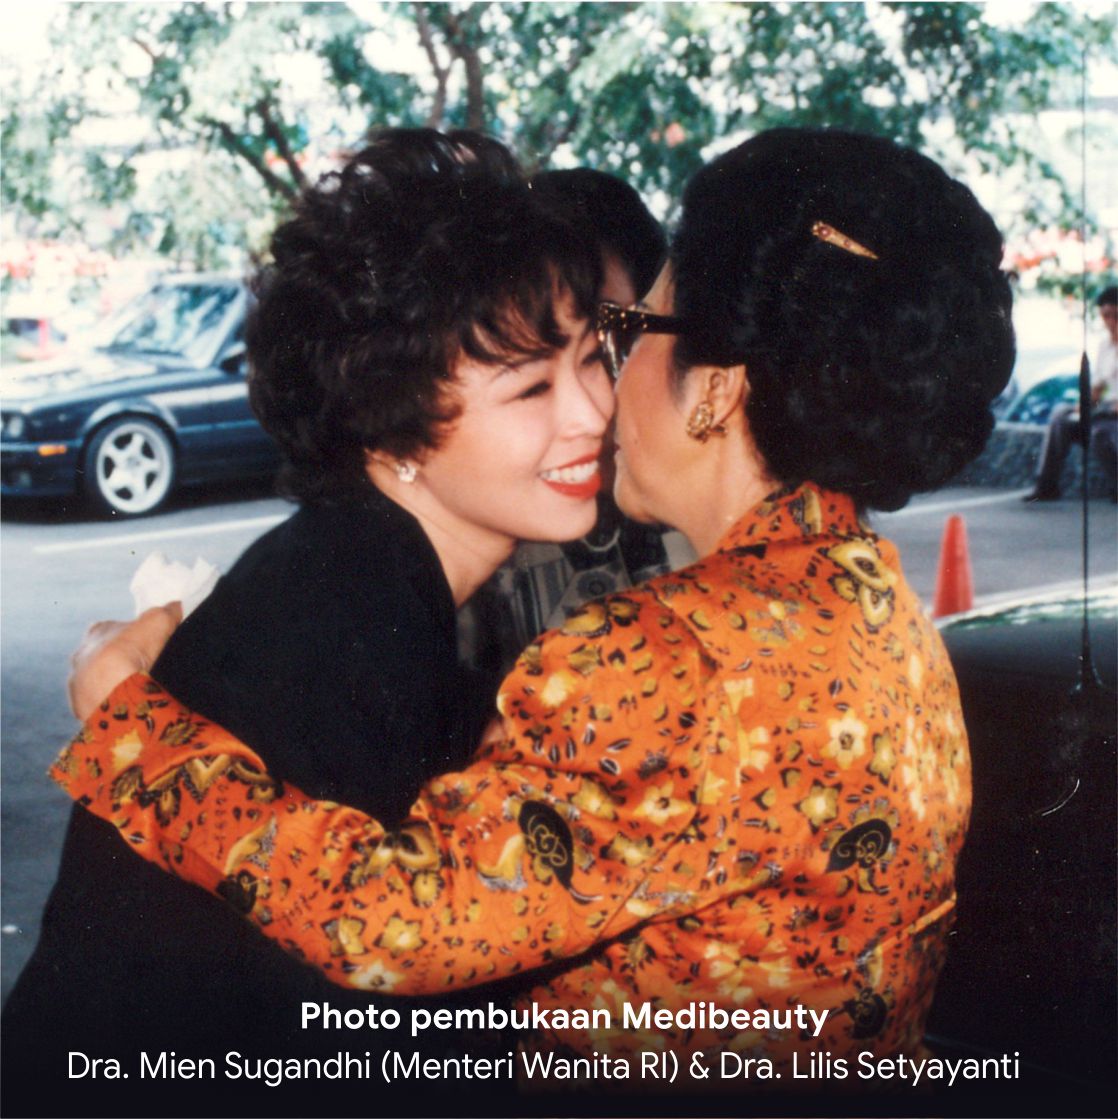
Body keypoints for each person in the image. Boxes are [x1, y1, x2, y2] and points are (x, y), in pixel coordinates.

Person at [53, 128, 1015, 1088]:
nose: (601, 404)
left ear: (718, 390)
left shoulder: (670, 656)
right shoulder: (883, 610)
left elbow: (388, 924)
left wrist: (128, 727)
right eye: (537, 381)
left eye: (624, 337)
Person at [1, 128, 612, 1116]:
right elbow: (363, 1028)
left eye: (593, 358)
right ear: (391, 423)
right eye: (533, 386)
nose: (591, 412)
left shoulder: (366, 572)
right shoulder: (345, 614)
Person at [466, 168, 689, 677]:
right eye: (539, 353)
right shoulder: (483, 539)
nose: (588, 401)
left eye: (600, 343)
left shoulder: (702, 508)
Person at [1024, 284, 1118, 501]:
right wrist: (1084, 404)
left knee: (1099, 434)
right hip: (1106, 411)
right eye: (1106, 316)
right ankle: (1046, 486)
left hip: (1114, 417)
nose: (1111, 322)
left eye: (1116, 315)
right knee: (1060, 418)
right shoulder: (1104, 346)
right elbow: (1098, 387)